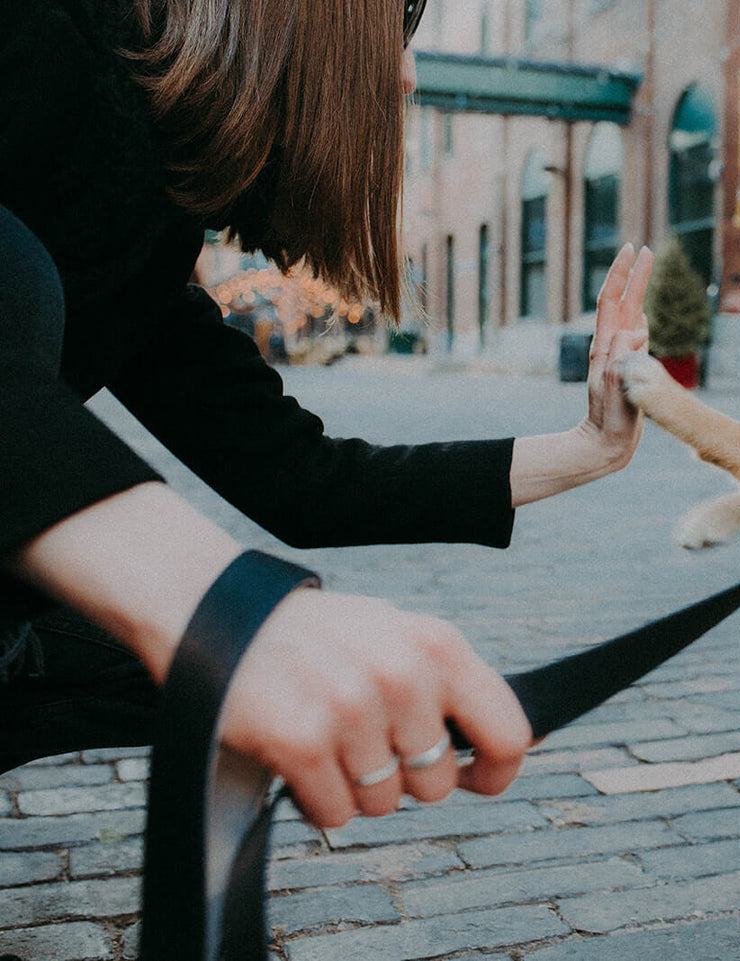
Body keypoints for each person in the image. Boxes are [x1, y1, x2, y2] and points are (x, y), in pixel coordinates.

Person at [0, 0, 654, 829]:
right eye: (399, 31)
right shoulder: (49, 28)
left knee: (242, 683)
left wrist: (588, 447)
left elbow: (301, 478)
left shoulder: (156, 243)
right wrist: (225, 609)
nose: (411, 73)